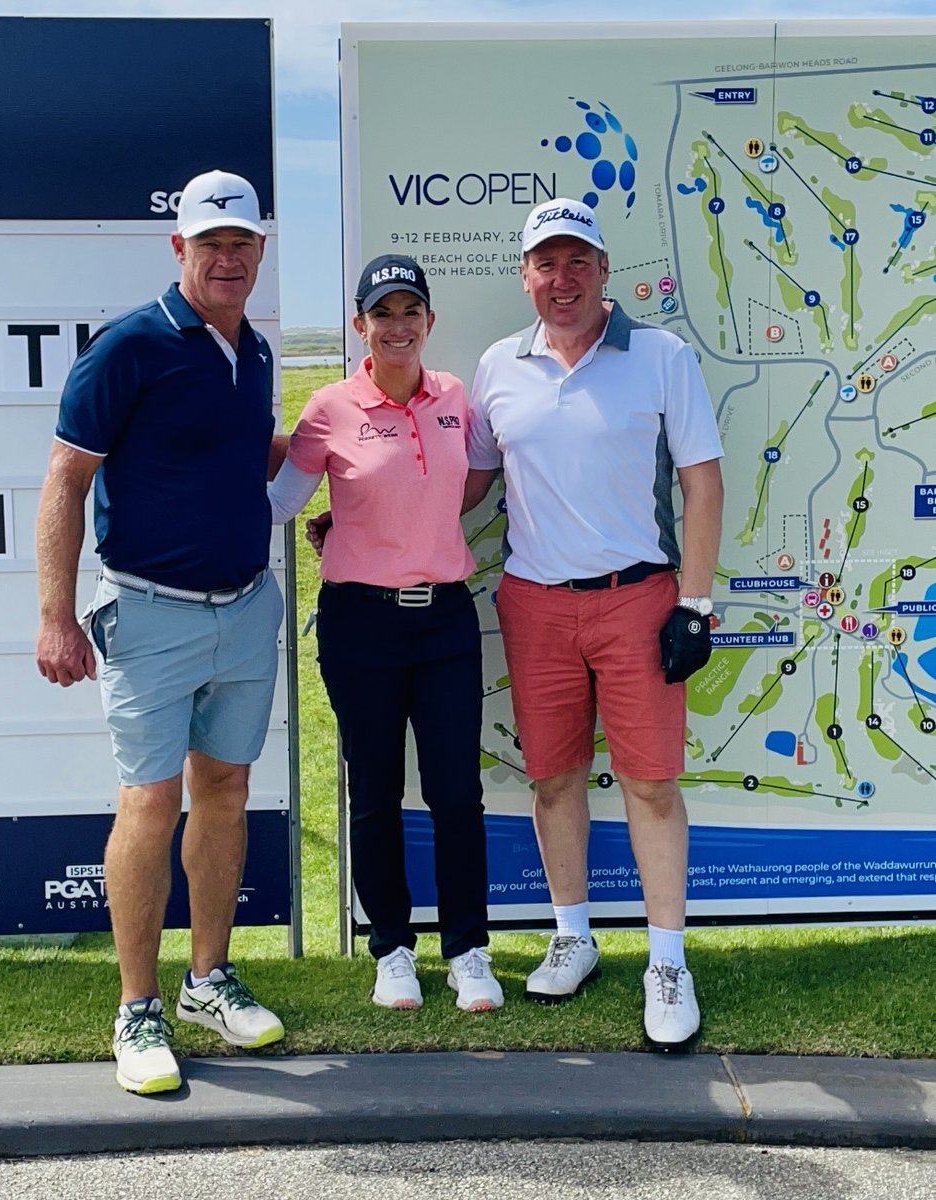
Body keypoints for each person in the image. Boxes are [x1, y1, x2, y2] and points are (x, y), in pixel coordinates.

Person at [35, 169, 288, 1095]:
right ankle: (136, 1008)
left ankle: (206, 980)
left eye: (241, 243)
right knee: (149, 800)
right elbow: (65, 480)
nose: (227, 258)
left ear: (259, 250)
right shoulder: (129, 346)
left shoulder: (254, 350)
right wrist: (55, 615)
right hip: (148, 612)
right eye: (209, 243)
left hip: (245, 608)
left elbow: (237, 456)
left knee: (225, 789)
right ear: (178, 247)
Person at [463, 198, 724, 1050]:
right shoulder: (499, 366)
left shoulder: (661, 355)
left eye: (578, 261)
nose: (563, 278)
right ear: (525, 276)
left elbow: (702, 482)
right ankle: (573, 936)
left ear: (605, 270)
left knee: (651, 785)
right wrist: (361, 518)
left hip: (639, 599)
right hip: (535, 602)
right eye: (546, 263)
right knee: (553, 780)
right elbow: (470, 486)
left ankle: (667, 963)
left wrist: (696, 603)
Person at [269, 254, 502, 1013]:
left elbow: (469, 481)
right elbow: (282, 503)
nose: (398, 326)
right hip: (360, 623)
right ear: (360, 326)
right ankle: (393, 949)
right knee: (374, 791)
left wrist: (391, 515)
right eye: (382, 314)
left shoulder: (456, 397)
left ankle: (466, 949)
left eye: (410, 312)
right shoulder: (330, 407)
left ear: (429, 321)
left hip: (444, 619)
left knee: (455, 791)